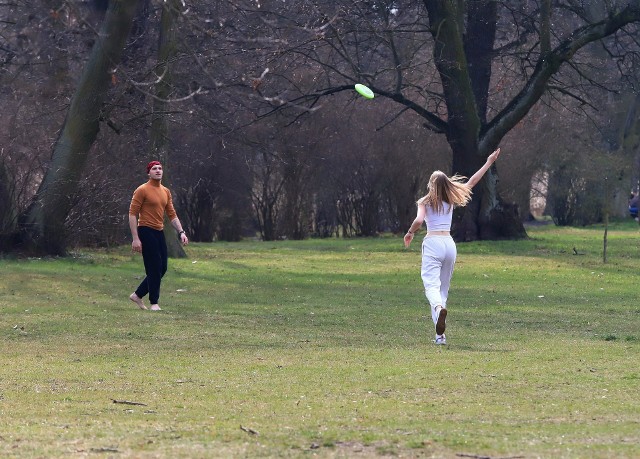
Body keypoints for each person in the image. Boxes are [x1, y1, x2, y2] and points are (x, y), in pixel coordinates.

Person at [404, 148, 501, 345]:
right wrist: (489, 162)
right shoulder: (451, 199)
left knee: (431, 286)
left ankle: (439, 310)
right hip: (449, 244)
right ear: (446, 183)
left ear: (431, 185)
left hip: (432, 243)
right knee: (443, 289)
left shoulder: (424, 201)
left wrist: (410, 232)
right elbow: (472, 182)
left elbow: (418, 220)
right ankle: (440, 336)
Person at [128, 161, 189, 311]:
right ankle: (154, 303)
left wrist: (181, 232)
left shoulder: (166, 191)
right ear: (149, 173)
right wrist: (135, 238)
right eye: (154, 169)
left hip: (158, 231)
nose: (158, 171)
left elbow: (172, 215)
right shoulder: (142, 190)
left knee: (162, 268)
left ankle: (137, 295)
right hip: (145, 230)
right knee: (154, 267)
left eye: (160, 168)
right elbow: (132, 214)